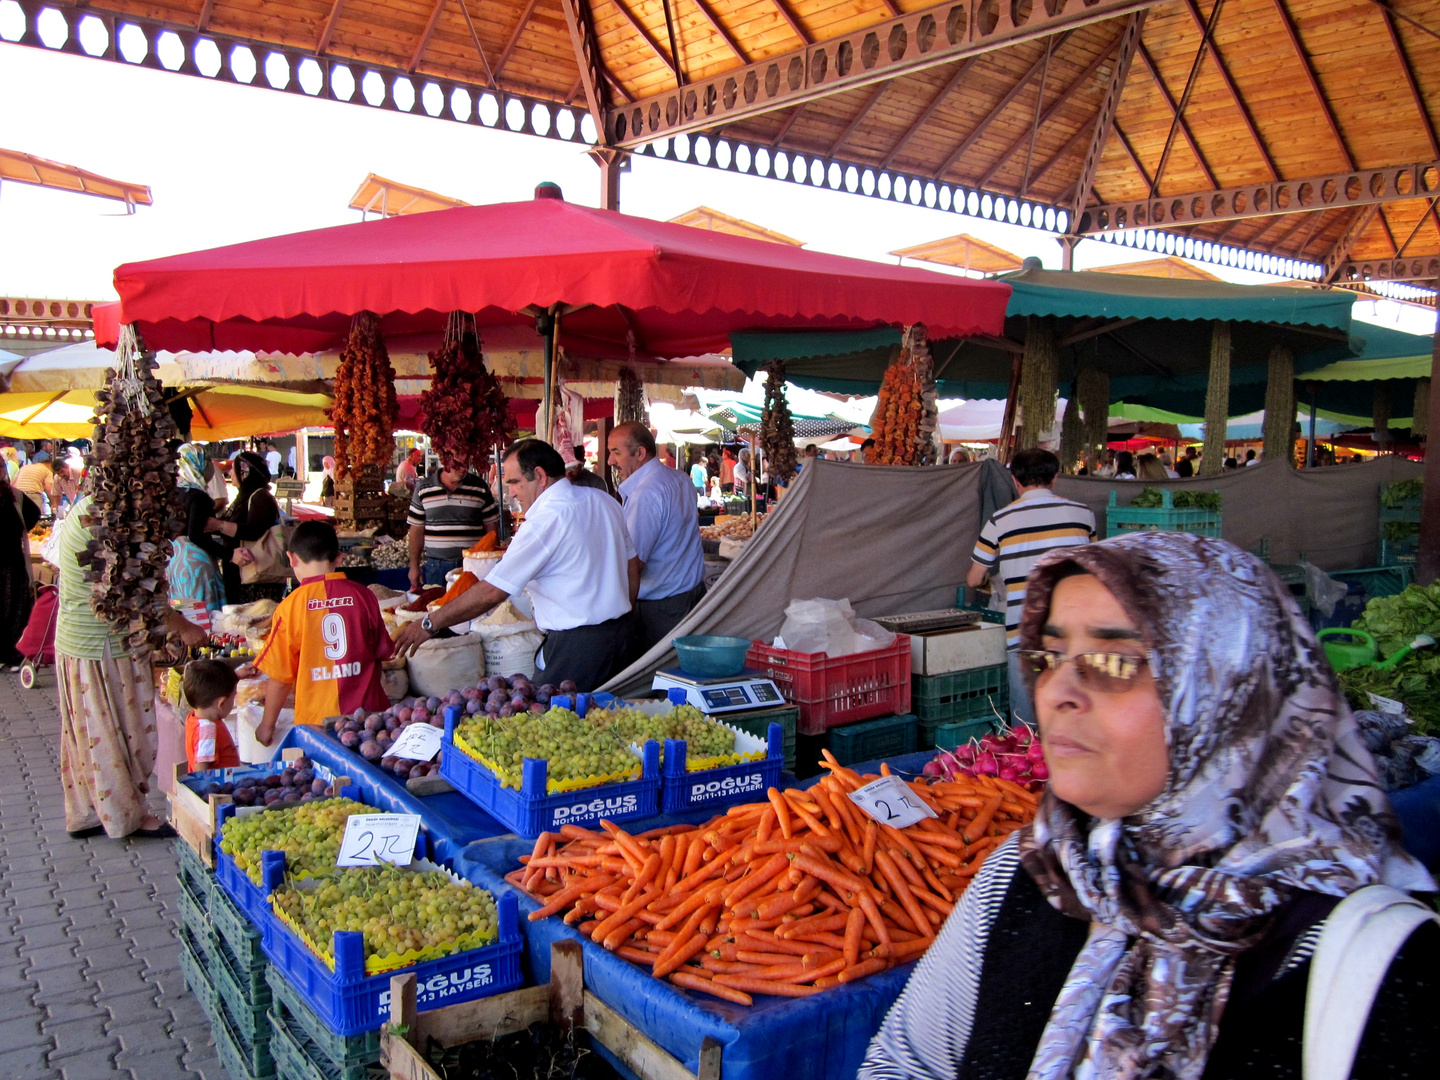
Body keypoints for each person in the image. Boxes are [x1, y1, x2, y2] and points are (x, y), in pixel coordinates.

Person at [861, 532, 1438, 1080]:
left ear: (1230, 693)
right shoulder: (1027, 873)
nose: (1058, 691)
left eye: (1114, 663)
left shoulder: (1379, 969)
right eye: (1050, 656)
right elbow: (906, 1061)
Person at [394, 439, 638, 692]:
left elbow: (492, 591)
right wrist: (623, 613)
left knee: (559, 723)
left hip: (577, 648)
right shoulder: (602, 499)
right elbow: (632, 564)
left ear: (540, 476)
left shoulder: (544, 520)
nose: (510, 492)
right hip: (621, 636)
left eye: (514, 482)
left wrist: (430, 623)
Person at [56, 492, 206, 840]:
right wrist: (182, 627)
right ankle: (127, 817)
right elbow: (130, 590)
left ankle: (87, 813)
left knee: (88, 731)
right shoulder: (109, 515)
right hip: (101, 643)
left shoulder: (93, 504)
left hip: (80, 639)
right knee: (121, 732)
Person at [966, 448, 1094, 724]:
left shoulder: (1000, 520)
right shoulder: (1083, 515)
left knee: (1026, 729)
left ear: (1015, 481)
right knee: (1074, 720)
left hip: (1024, 634)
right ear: (1055, 478)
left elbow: (974, 579)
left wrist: (991, 579)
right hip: (1075, 634)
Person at [253, 521, 393, 743]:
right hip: (368, 719)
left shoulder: (290, 607)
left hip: (317, 725)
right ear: (339, 558)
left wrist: (266, 726)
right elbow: (382, 653)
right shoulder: (364, 596)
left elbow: (280, 678)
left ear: (292, 558)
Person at [607, 422, 706, 654]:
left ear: (640, 453)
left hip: (662, 609)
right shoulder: (679, 478)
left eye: (616, 453)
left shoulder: (646, 494)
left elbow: (634, 563)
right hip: (690, 596)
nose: (611, 461)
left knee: (658, 679)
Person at [406, 456, 499, 590]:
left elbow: (492, 528)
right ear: (445, 461)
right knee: (439, 606)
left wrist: (493, 562)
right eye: (458, 465)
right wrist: (414, 566)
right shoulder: (423, 488)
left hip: (472, 566)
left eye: (466, 464)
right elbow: (416, 531)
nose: (463, 469)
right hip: (436, 567)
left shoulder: (480, 487)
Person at [215, 451, 286, 604]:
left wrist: (220, 526)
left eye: (234, 469)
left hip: (257, 576)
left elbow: (254, 531)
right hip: (241, 571)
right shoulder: (243, 498)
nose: (231, 473)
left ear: (245, 473)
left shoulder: (260, 497)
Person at [0, 461, 36, 671]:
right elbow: (33, 516)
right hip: (12, 560)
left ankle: (12, 653)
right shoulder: (15, 496)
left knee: (15, 607)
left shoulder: (16, 496)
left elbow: (32, 515)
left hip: (12, 562)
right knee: (14, 607)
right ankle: (11, 654)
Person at [182, 660, 241, 771]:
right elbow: (201, 771)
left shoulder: (194, 717)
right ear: (222, 703)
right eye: (233, 697)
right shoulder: (207, 730)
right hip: (222, 786)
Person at [14, 451, 54, 515]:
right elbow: (49, 488)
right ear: (50, 466)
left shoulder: (25, 467)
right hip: (33, 495)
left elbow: (13, 482)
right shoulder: (47, 470)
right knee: (33, 518)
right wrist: (53, 503)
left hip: (18, 494)